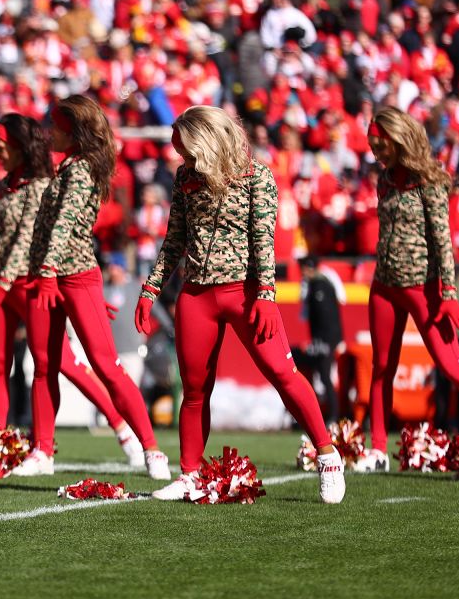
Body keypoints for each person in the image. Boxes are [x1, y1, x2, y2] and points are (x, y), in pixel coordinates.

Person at [136, 105, 345, 503]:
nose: (181, 157)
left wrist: (266, 295)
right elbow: (173, 241)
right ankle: (190, 475)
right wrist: (150, 290)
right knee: (195, 390)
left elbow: (262, 239)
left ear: (206, 141)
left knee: (283, 374)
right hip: (196, 294)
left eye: (186, 148)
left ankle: (327, 455)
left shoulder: (257, 175)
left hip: (245, 292)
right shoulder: (185, 177)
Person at [0, 113, 147, 468]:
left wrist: (4, 284)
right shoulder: (0, 186)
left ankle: (121, 426)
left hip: (31, 283)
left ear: (22, 148)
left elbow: (25, 242)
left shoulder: (43, 186)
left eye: (3, 148)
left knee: (63, 362)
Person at [25, 96, 169, 479]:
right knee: (43, 365)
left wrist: (49, 268)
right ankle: (42, 451)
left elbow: (65, 224)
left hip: (71, 276)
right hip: (47, 275)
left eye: (55, 126)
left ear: (73, 132)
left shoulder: (81, 169)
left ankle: (151, 448)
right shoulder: (67, 166)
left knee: (106, 365)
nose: (48, 132)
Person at [358, 107, 459, 472]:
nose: (377, 153)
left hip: (424, 288)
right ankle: (377, 451)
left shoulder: (431, 181)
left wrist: (449, 292)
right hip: (384, 286)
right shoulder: (385, 180)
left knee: (453, 367)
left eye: (381, 145)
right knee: (381, 368)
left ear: (399, 140)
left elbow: (443, 241)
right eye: (373, 146)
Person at [298, 256, 344, 423]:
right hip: (323, 339)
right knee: (321, 376)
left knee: (325, 376)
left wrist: (324, 341)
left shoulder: (320, 285)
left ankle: (333, 416)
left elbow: (326, 317)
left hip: (325, 339)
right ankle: (324, 415)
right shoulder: (317, 284)